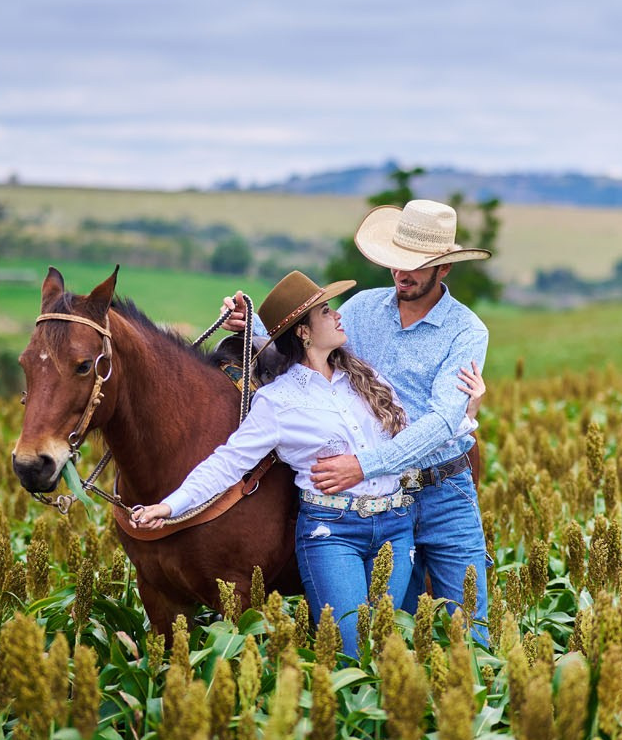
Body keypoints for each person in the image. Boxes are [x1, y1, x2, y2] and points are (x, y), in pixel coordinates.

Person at [130, 269, 484, 656]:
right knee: (349, 651)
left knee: (384, 649)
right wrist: (170, 506)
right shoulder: (277, 402)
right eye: (326, 311)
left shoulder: (366, 379)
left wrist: (463, 416)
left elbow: (407, 435)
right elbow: (228, 463)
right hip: (334, 530)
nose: (339, 315)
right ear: (303, 332)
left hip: (395, 528)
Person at [223, 199, 492, 644]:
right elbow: (312, 342)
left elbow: (444, 420)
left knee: (471, 631)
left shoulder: (466, 330)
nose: (401, 273)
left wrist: (364, 464)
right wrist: (257, 329)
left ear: (443, 268)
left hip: (444, 492)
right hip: (380, 503)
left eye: (415, 265)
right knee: (389, 638)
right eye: (396, 261)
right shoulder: (364, 309)